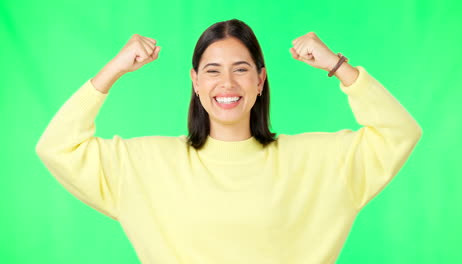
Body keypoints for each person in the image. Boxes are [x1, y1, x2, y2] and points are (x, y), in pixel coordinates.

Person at [36, 19, 422, 264]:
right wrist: (114, 69)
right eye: (212, 71)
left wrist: (339, 67)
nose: (227, 84)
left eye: (241, 70)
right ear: (196, 83)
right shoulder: (147, 163)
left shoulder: (316, 160)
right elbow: (57, 147)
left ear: (260, 81)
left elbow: (399, 133)